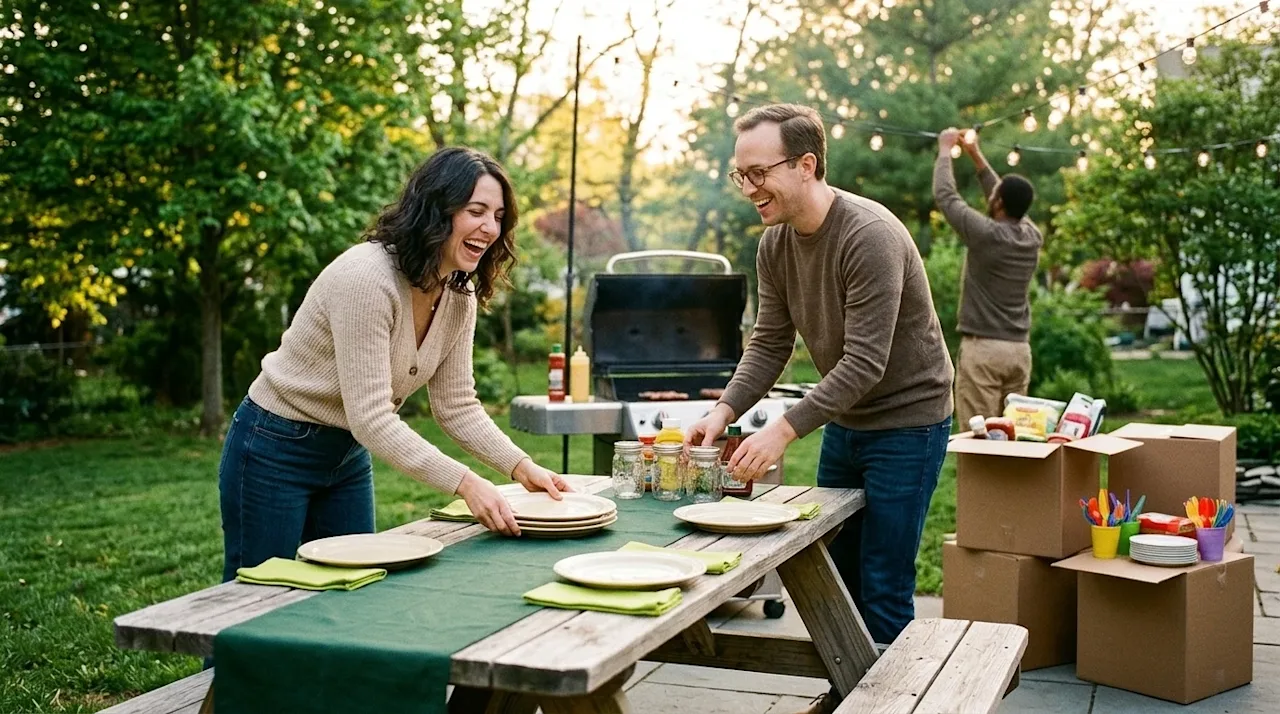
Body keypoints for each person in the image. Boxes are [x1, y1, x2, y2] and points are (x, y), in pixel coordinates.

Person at [686, 104, 953, 713]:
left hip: (909, 421)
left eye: (759, 172)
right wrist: (725, 410)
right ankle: (851, 694)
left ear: (806, 165)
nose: (749, 188)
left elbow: (866, 362)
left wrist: (782, 430)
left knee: (883, 579)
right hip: (848, 419)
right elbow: (770, 343)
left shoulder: (869, 235)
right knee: (836, 576)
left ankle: (892, 703)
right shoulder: (774, 245)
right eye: (740, 175)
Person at [218, 147, 569, 583]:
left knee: (351, 588)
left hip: (346, 454)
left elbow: (456, 404)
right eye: (476, 210)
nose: (490, 228)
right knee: (254, 593)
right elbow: (373, 418)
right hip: (273, 446)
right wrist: (467, 483)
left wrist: (521, 467)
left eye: (498, 216)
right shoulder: (368, 279)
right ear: (437, 210)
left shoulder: (458, 295)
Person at [933, 129, 1042, 428]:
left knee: (979, 439)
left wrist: (945, 151)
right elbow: (1005, 194)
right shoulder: (1032, 236)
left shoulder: (986, 235)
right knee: (1012, 438)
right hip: (1019, 351)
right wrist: (975, 154)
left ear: (998, 204)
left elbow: (946, 196)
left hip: (984, 353)